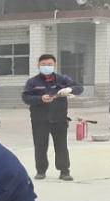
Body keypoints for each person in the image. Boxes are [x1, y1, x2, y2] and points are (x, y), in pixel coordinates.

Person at [22, 54, 84, 182]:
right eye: (43, 65)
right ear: (38, 65)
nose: (46, 67)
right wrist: (40, 99)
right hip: (39, 120)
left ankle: (64, 171)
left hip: (59, 119)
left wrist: (69, 89)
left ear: (55, 65)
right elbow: (26, 98)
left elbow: (79, 88)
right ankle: (41, 170)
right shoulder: (32, 82)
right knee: (40, 146)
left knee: (61, 146)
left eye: (49, 65)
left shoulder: (63, 80)